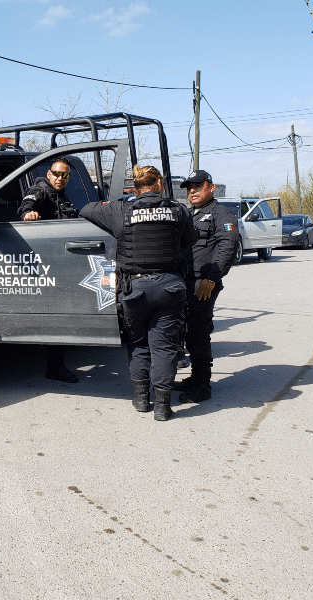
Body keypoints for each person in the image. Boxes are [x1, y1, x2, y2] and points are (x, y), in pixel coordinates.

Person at [80, 165, 197, 421]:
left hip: (135, 289)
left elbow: (86, 209)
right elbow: (191, 239)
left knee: (139, 344)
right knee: (165, 348)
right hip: (169, 287)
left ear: (135, 188)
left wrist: (111, 204)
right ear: (159, 184)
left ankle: (142, 399)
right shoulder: (178, 210)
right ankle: (163, 407)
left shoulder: (121, 210)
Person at [173, 170, 237, 403]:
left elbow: (227, 248)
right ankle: (195, 378)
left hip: (203, 283)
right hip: (184, 281)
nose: (192, 191)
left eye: (198, 187)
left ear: (210, 187)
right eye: (189, 188)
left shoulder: (222, 214)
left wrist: (211, 279)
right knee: (187, 333)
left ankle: (202, 386)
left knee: (198, 334)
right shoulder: (190, 214)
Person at [19, 158, 80, 383]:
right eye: (56, 173)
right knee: (58, 315)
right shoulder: (40, 190)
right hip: (44, 264)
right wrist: (28, 214)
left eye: (64, 175)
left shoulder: (60, 196)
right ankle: (55, 367)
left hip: (60, 263)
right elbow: (26, 206)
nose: (59, 178)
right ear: (49, 173)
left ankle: (57, 364)